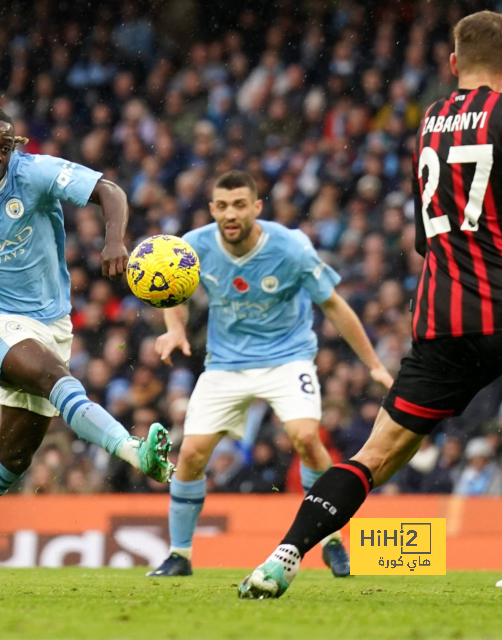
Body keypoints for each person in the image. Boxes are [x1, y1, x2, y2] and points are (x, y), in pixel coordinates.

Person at [238, 10, 502, 598]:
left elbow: (422, 235)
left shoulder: (430, 121)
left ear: (453, 64)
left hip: (442, 317)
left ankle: (284, 555)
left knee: (375, 454)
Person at [0, 104, 174, 578]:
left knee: (13, 460)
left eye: (4, 147)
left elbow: (108, 191)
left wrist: (115, 239)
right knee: (56, 377)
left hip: (52, 324)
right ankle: (137, 453)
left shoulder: (35, 174)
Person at [146, 170, 392, 578]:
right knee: (189, 454)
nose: (231, 213)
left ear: (257, 207)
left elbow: (334, 306)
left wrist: (374, 364)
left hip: (288, 357)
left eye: (240, 204)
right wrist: (174, 328)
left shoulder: (291, 247)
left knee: (306, 437)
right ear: (212, 209)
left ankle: (332, 541)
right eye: (222, 206)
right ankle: (180, 555)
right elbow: (174, 292)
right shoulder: (193, 246)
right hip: (225, 363)